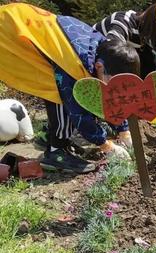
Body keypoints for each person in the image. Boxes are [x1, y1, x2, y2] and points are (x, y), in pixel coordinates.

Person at [0, 3, 136, 174]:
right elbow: (78, 111)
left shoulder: (104, 47)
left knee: (57, 85)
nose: (113, 88)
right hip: (8, 32)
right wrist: (106, 145)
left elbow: (111, 93)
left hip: (21, 24)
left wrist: (123, 131)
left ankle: (58, 141)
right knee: (59, 94)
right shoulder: (74, 64)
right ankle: (56, 153)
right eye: (112, 81)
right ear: (100, 67)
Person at [94, 2, 156, 77]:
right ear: (152, 29)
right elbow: (109, 52)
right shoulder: (123, 20)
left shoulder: (145, 41)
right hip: (91, 63)